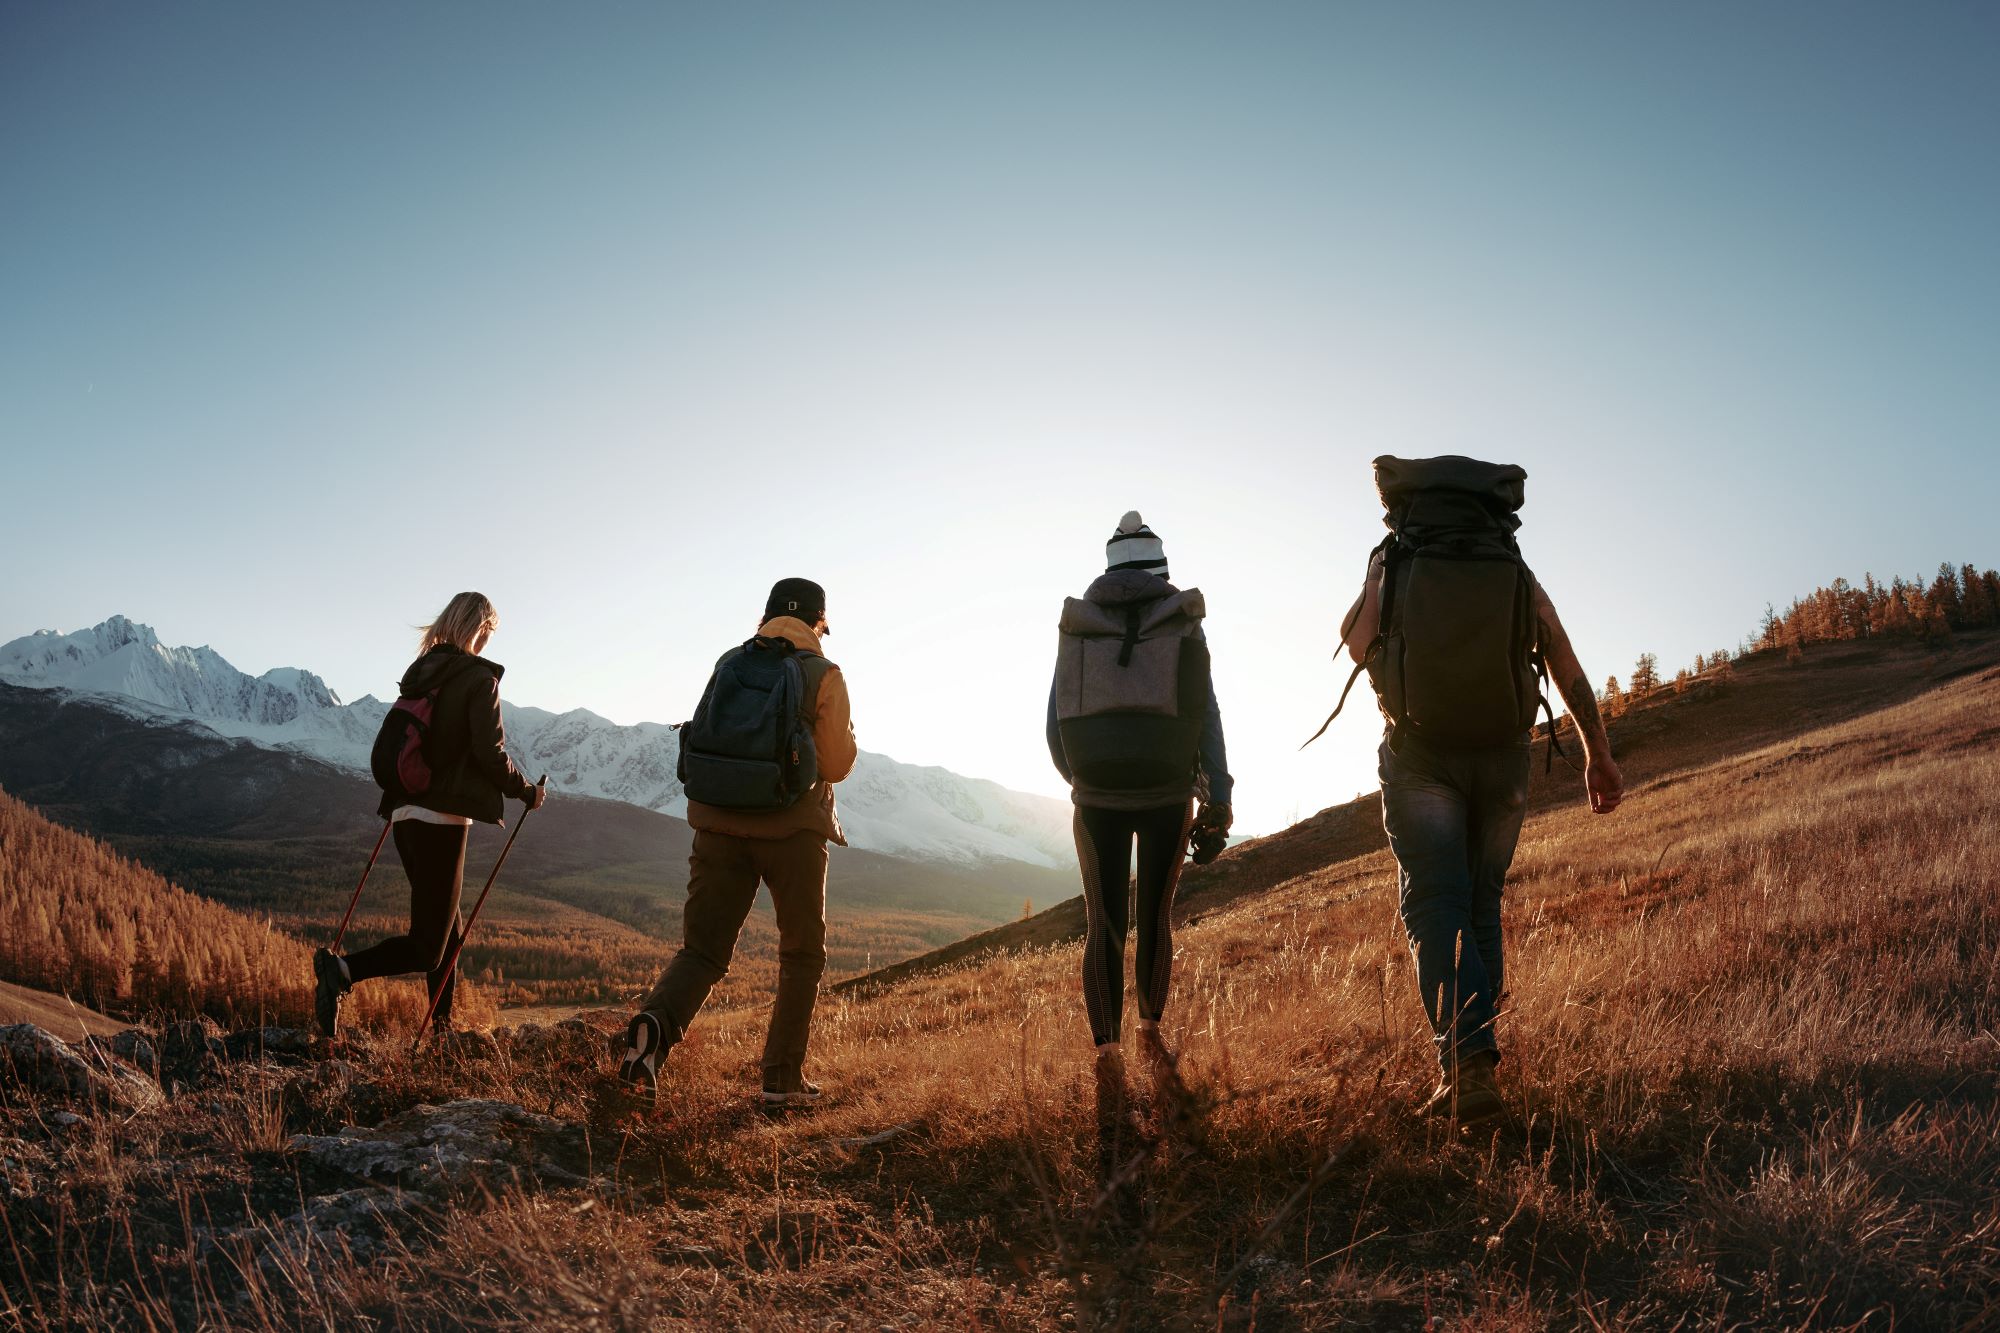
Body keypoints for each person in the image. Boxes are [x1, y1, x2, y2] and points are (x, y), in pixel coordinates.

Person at [1337, 458, 1623, 1124]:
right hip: (1502, 759)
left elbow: (1356, 640)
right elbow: (1561, 654)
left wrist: (1381, 589)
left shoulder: (1398, 554)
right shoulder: (1510, 564)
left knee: (1436, 901)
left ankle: (1467, 1068)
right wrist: (1598, 754)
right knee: (1480, 899)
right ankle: (1478, 1061)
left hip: (1422, 753)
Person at [615, 577, 857, 1108]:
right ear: (820, 622)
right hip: (793, 831)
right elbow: (836, 763)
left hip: (717, 826)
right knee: (800, 955)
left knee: (702, 950)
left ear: (765, 616)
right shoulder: (823, 672)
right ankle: (781, 1080)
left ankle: (653, 1031)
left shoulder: (730, 662)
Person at [1047, 512, 1233, 1099]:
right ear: (1161, 568)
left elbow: (1055, 722)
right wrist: (1217, 794)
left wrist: (1080, 779)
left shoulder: (1079, 625)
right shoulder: (1181, 624)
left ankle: (1106, 1049)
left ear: (1109, 568)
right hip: (1167, 793)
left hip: (1096, 794)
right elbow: (1205, 713)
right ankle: (1150, 1031)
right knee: (1154, 915)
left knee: (1103, 921)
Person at [313, 591, 545, 1039]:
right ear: (480, 629)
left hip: (404, 818)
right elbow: (490, 752)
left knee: (448, 935)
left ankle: (441, 1032)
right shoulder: (478, 679)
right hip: (441, 821)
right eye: (487, 635)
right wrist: (526, 792)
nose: (486, 644)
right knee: (428, 947)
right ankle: (341, 970)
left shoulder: (423, 674)